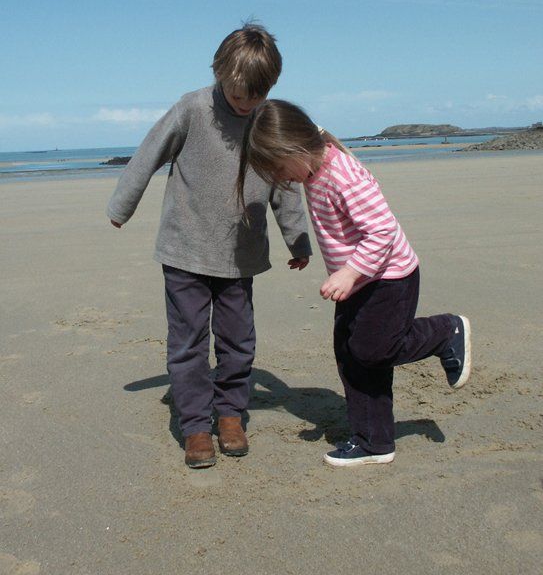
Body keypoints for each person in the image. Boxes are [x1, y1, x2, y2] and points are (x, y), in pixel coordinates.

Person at [107, 26, 312, 469]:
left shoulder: (266, 117)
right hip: (185, 250)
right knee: (188, 343)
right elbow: (148, 154)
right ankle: (196, 425)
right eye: (238, 96)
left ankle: (231, 414)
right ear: (220, 74)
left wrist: (297, 239)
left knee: (238, 341)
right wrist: (122, 204)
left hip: (240, 256)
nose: (245, 105)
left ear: (269, 88)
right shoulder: (192, 108)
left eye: (255, 97)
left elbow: (285, 182)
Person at [237, 99, 472, 468]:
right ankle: (373, 442)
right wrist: (317, 257)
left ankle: (445, 331)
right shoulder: (313, 171)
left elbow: (383, 231)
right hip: (359, 280)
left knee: (373, 351)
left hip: (389, 277)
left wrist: (349, 272)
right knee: (351, 357)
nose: (281, 178)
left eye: (280, 168)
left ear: (296, 148)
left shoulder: (342, 174)